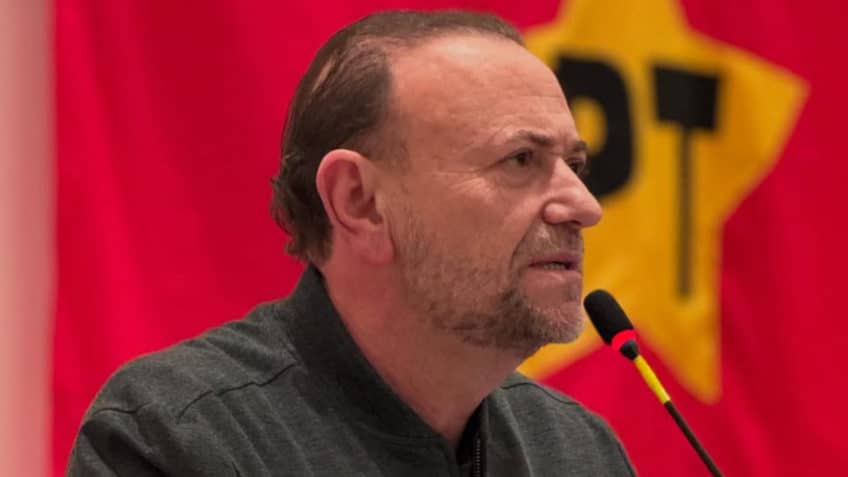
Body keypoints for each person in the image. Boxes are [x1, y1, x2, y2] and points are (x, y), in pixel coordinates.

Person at [68, 10, 635, 476]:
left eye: (575, 165)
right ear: (360, 201)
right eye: (520, 160)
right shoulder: (176, 438)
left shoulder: (579, 452)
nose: (585, 206)